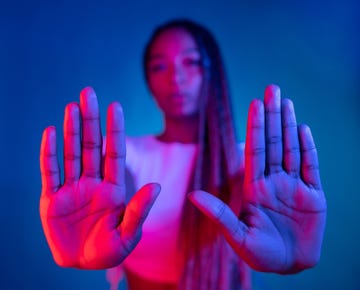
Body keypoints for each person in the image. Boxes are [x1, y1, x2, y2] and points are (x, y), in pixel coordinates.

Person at [39, 19, 327, 290]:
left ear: (213, 72)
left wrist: (293, 257)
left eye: (191, 62)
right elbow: (117, 192)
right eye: (159, 66)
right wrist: (85, 239)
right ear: (148, 82)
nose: (176, 77)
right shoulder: (123, 157)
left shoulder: (249, 165)